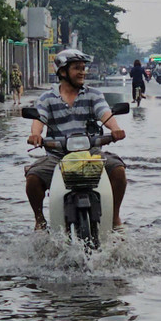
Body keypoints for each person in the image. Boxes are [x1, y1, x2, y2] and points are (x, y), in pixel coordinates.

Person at [25, 49, 127, 231]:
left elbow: (104, 113)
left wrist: (116, 129)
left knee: (118, 170)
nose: (82, 72)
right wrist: (35, 135)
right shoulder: (46, 98)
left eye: (83, 68)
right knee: (33, 178)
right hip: (57, 156)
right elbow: (39, 119)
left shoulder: (93, 94)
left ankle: (115, 217)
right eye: (77, 68)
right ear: (63, 72)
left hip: (91, 153)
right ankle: (39, 221)